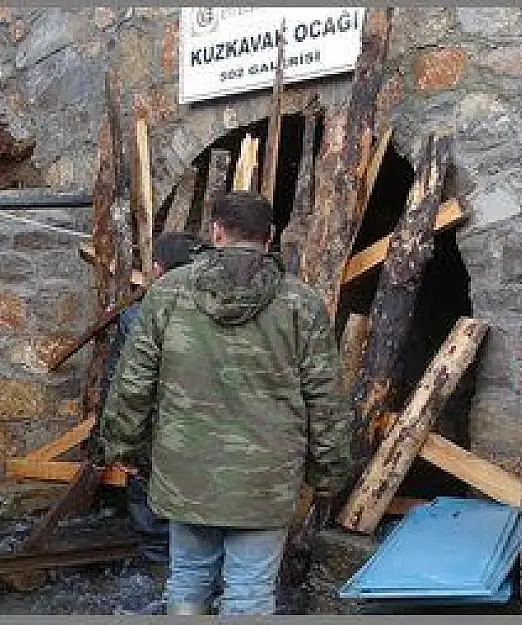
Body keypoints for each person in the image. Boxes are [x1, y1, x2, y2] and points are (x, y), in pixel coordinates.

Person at [99, 191, 354, 615]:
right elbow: (325, 397)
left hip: (186, 467)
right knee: (251, 590)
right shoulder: (300, 303)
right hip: (265, 477)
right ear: (270, 238)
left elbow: (133, 381)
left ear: (216, 232)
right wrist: (329, 470)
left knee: (188, 578)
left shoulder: (166, 294)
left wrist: (124, 446)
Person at [101, 232, 200, 569]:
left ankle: (161, 575)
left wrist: (118, 444)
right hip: (210, 437)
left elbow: (122, 384)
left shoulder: (140, 316)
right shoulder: (222, 313)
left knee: (152, 515)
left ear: (157, 268)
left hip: (156, 435)